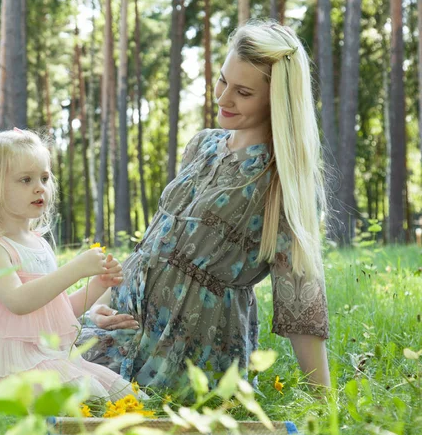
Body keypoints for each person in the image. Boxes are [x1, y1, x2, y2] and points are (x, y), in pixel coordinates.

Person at [78, 20, 331, 391]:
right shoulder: (204, 145)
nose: (223, 98)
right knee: (29, 354)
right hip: (128, 317)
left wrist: (322, 396)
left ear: (277, 100)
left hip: (188, 345)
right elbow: (154, 245)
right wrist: (101, 305)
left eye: (243, 92)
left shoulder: (280, 181)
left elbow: (301, 295)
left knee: (76, 389)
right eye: (222, 80)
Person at [0, 128, 142, 401]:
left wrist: (98, 283)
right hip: (9, 367)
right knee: (84, 392)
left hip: (44, 356)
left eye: (44, 177)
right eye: (25, 179)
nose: (39, 187)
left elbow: (60, 310)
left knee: (122, 392)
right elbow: (19, 302)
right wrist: (75, 269)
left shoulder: (39, 245)